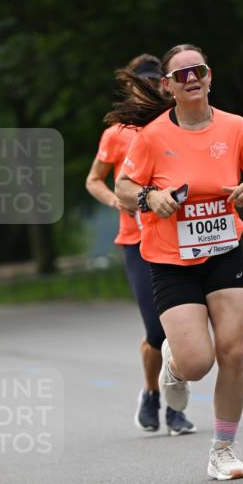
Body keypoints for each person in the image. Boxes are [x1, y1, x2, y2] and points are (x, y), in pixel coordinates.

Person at [114, 44, 243, 480]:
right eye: (181, 74)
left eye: (199, 71)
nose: (192, 79)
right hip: (172, 260)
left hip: (225, 252)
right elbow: (124, 188)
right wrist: (152, 198)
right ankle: (173, 364)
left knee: (234, 350)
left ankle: (223, 449)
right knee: (197, 363)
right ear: (168, 86)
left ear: (210, 77)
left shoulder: (236, 127)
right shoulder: (152, 136)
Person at [86, 53, 195, 436]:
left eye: (154, 80)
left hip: (181, 237)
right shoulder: (117, 133)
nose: (148, 87)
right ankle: (151, 392)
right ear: (131, 85)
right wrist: (116, 199)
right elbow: (95, 180)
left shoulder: (178, 124)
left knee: (184, 330)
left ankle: (176, 407)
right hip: (137, 240)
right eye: (141, 81)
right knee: (156, 330)